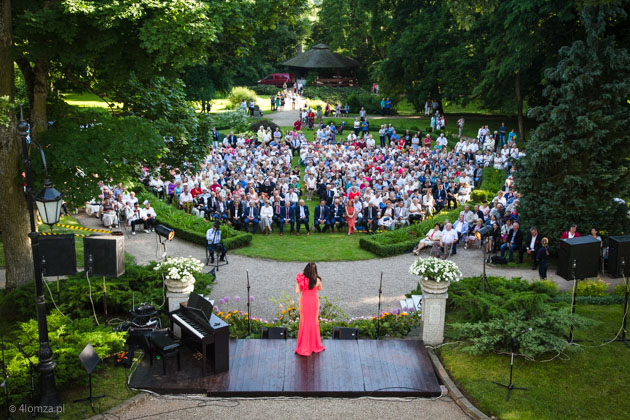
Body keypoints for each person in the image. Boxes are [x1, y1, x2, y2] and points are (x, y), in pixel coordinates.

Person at [295, 263, 325, 356]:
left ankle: (304, 345)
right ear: (315, 270)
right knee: (314, 322)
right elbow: (320, 289)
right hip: (314, 302)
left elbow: (297, 291)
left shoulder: (302, 279)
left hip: (305, 302)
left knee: (304, 322)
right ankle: (314, 345)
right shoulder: (318, 280)